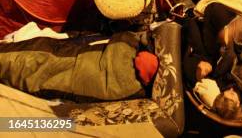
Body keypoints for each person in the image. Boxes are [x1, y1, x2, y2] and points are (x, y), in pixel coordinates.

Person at [0, 30, 158, 102]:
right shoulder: (134, 91)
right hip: (65, 79)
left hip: (67, 61)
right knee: (27, 70)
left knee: (26, 59)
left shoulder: (127, 46)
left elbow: (124, 36)